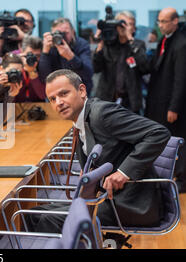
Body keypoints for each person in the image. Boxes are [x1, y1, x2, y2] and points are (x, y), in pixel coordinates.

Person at [25, 69, 170, 233]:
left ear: (81, 90)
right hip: (108, 197)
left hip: (133, 203)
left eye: (64, 94)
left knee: (46, 219)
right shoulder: (82, 119)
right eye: (52, 99)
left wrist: (124, 172)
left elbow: (158, 133)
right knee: (34, 214)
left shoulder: (101, 113)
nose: (58, 102)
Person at [146, 7, 186, 192]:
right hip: (159, 102)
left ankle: (183, 179)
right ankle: (170, 175)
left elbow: (181, 79)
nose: (160, 25)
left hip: (172, 105)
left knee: (179, 142)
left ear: (175, 21)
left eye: (164, 21)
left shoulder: (181, 43)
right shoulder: (164, 40)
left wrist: (174, 107)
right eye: (159, 21)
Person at [93, 11, 150, 114]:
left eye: (130, 24)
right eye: (123, 24)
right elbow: (96, 68)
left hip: (130, 101)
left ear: (134, 28)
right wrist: (100, 44)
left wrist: (130, 41)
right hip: (108, 98)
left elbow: (145, 68)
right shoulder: (108, 43)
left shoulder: (138, 45)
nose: (125, 27)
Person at [38, 18, 94, 95]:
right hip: (56, 92)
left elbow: (88, 74)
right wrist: (45, 52)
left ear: (73, 32)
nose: (62, 36)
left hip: (79, 92)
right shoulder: (49, 46)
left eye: (65, 33)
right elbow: (44, 77)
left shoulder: (81, 44)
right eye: (57, 33)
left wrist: (71, 57)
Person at [15, 36, 46, 102]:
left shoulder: (43, 64)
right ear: (21, 51)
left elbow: (42, 95)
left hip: (37, 107)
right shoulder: (13, 60)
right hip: (15, 107)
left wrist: (32, 72)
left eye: (37, 56)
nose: (33, 59)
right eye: (29, 54)